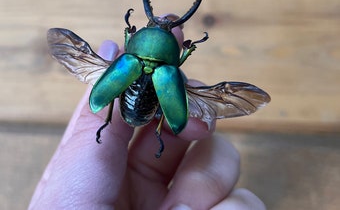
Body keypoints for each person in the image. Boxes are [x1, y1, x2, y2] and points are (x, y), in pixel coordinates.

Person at [29, 21, 266, 210]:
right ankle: (152, 130)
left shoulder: (127, 61)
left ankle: (120, 123)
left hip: (131, 108)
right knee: (174, 94)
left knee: (125, 90)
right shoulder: (167, 69)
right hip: (148, 113)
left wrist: (127, 36)